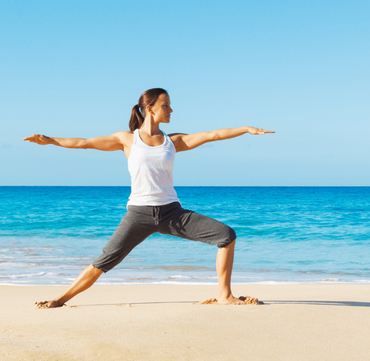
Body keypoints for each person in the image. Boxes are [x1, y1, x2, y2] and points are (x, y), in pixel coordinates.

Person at [24, 88, 275, 307]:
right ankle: (59, 300)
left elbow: (212, 135)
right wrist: (51, 141)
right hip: (139, 214)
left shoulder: (172, 141)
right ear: (149, 108)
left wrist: (245, 129)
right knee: (103, 261)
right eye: (166, 105)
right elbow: (85, 142)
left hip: (172, 213)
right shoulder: (126, 139)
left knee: (226, 236)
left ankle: (224, 295)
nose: (171, 110)